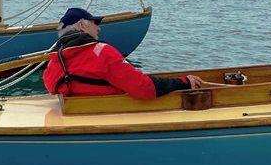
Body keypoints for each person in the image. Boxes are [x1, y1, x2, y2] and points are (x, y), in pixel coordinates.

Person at [43, 7, 206, 98]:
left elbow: (53, 88)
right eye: (95, 23)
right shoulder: (102, 52)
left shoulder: (55, 61)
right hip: (109, 116)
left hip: (76, 117)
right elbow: (144, 89)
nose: (99, 28)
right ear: (82, 26)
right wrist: (183, 82)